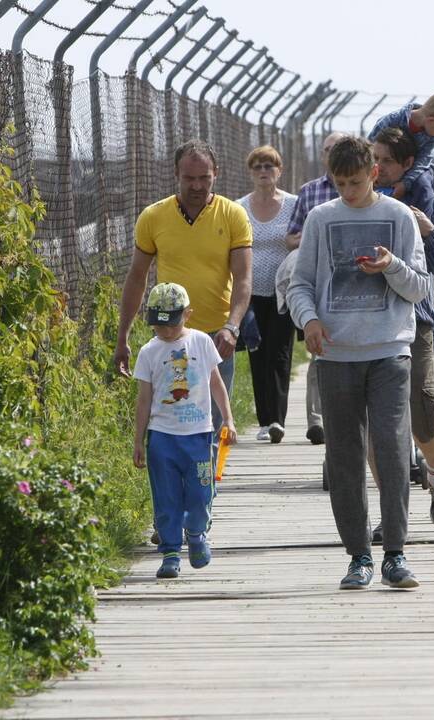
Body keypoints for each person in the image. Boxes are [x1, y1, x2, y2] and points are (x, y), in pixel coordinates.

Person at [287, 136, 430, 590]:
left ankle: (395, 553)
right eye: (340, 183)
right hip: (335, 354)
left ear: (374, 174)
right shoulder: (320, 218)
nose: (347, 192)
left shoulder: (399, 216)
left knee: (390, 447)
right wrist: (308, 320)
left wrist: (390, 265)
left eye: (355, 182)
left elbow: (420, 287)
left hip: (389, 349)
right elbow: (300, 282)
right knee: (344, 455)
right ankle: (358, 556)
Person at [114, 139, 253, 445]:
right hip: (169, 334)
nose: (197, 185)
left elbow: (243, 278)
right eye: (189, 178)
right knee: (171, 417)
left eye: (204, 177)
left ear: (216, 173)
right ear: (176, 174)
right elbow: (137, 277)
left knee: (214, 422)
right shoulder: (154, 217)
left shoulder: (233, 215)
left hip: (217, 336)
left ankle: (207, 486)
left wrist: (232, 326)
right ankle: (177, 480)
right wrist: (122, 336)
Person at [372, 127, 434, 539]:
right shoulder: (364, 202)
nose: (378, 169)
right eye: (373, 160)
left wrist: (428, 231)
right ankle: (391, 514)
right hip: (369, 321)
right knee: (378, 421)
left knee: (422, 405)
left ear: (408, 164)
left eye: (386, 162)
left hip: (417, 318)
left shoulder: (430, 203)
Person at [132, 282, 238, 579]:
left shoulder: (202, 342)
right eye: (158, 326)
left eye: (171, 324)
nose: (165, 332)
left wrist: (227, 419)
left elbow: (216, 383)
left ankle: (196, 534)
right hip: (162, 437)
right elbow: (144, 400)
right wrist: (139, 440)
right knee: (165, 496)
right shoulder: (149, 352)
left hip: (198, 434)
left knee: (200, 493)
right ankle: (169, 552)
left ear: (187, 315)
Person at [286, 131, 348, 445]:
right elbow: (291, 236)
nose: (331, 153)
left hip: (351, 281)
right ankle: (317, 420)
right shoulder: (309, 193)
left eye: (337, 148)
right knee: (318, 353)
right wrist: (316, 235)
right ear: (322, 156)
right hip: (319, 283)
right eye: (327, 149)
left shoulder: (362, 190)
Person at [237, 145, 298, 444]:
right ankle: (264, 420)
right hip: (249, 292)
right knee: (256, 353)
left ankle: (277, 419)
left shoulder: (293, 205)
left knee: (281, 354)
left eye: (269, 166)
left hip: (284, 292)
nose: (264, 172)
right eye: (258, 166)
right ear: (250, 172)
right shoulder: (239, 208)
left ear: (279, 171)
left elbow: (304, 237)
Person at [367, 91, 434, 200]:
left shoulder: (431, 139)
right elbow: (368, 148)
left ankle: (424, 214)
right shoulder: (391, 121)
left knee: (423, 184)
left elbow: (422, 163)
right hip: (384, 167)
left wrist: (405, 183)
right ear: (431, 121)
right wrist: (370, 172)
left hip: (414, 169)